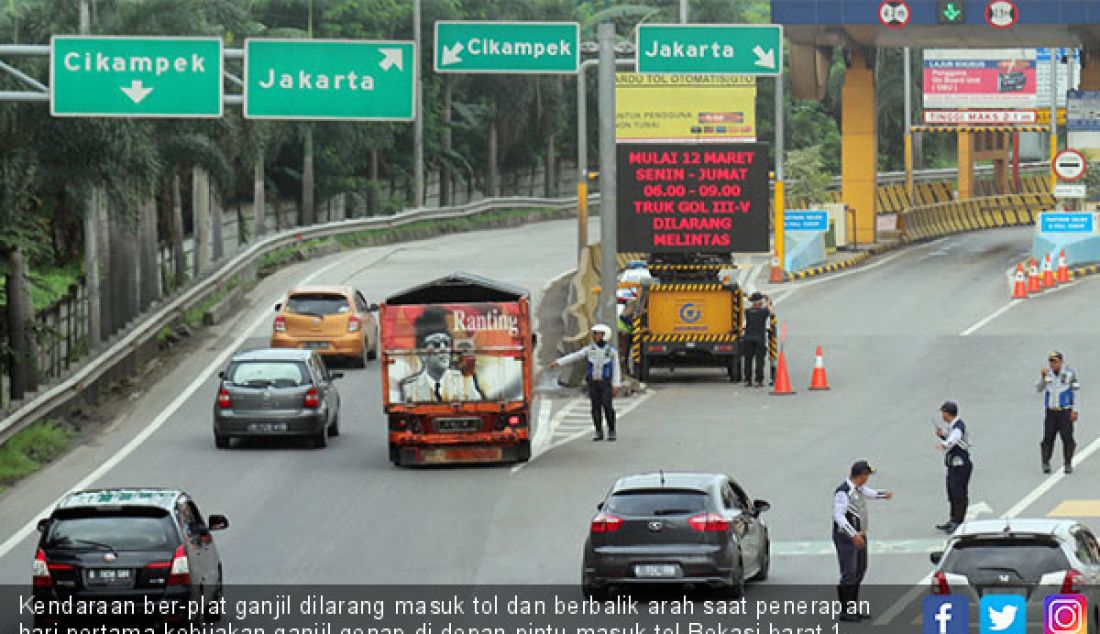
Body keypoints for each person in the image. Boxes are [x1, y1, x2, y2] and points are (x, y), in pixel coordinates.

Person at [833, 461, 894, 621]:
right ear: (861, 475)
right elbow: (839, 516)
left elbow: (871, 493)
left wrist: (883, 494)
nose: (868, 478)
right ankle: (845, 611)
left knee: (860, 569)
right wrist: (853, 535)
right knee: (849, 573)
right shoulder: (843, 492)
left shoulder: (859, 489)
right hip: (847, 538)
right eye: (867, 475)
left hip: (860, 535)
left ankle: (853, 607)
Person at [550, 324, 622, 441]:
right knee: (595, 407)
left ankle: (611, 430)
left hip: (605, 383)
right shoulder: (590, 349)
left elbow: (616, 368)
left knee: (608, 406)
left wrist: (616, 384)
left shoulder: (611, 351)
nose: (595, 336)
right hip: (593, 383)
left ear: (604, 335)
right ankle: (598, 431)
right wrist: (559, 362)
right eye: (595, 333)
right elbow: (575, 356)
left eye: (598, 334)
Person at [398, 307, 485, 402]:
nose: (443, 348)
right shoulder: (410, 387)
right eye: (436, 344)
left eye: (446, 343)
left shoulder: (464, 381)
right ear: (422, 354)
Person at [1038, 351, 1081, 474]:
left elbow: (1076, 391)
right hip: (1051, 412)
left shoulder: (1069, 374)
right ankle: (1045, 462)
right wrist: (1042, 378)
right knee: (1048, 438)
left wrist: (1075, 410)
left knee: (1067, 438)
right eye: (1051, 361)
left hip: (1065, 411)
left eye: (1055, 361)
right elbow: (1038, 388)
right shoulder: (1047, 374)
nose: (1053, 364)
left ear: (1061, 362)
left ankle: (1068, 463)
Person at [934, 401, 972, 533]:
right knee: (952, 492)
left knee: (959, 494)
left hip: (960, 465)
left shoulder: (958, 426)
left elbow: (954, 439)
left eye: (943, 412)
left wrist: (945, 444)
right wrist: (943, 435)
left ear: (947, 413)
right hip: (953, 465)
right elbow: (952, 438)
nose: (942, 415)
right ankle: (952, 519)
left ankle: (958, 521)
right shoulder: (952, 425)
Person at [741, 292, 770, 387]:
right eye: (761, 300)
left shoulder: (748, 312)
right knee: (760, 360)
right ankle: (758, 380)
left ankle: (748, 379)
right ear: (759, 302)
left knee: (748, 359)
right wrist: (767, 299)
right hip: (759, 339)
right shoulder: (763, 312)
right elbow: (769, 307)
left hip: (748, 338)